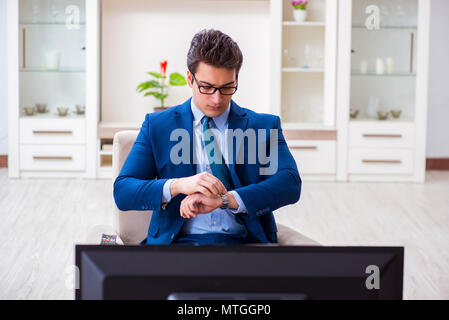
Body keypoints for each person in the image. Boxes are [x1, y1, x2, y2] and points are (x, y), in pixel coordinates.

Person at [113, 29, 301, 245]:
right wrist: (178, 185)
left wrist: (226, 200)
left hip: (245, 244)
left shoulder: (264, 126)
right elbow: (123, 191)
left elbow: (290, 183)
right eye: (207, 87)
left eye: (227, 87)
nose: (217, 98)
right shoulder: (157, 126)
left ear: (236, 79)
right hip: (177, 246)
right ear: (190, 78)